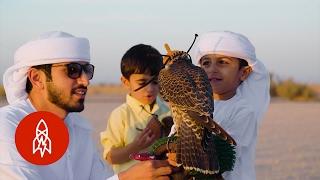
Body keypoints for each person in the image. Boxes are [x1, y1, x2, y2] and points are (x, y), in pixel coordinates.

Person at [0, 31, 172, 180]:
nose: (85, 80)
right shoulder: (9, 126)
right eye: (72, 70)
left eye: (87, 70)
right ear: (37, 78)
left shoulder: (78, 128)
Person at [190, 31, 270, 180]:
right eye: (206, 63)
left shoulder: (244, 111)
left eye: (223, 62)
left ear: (244, 72)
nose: (212, 69)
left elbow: (224, 153)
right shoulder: (194, 107)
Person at [100, 44, 172, 174]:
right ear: (126, 82)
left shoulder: (169, 111)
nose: (150, 89)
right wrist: (136, 146)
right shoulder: (120, 115)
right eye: (142, 82)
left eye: (155, 82)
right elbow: (111, 157)